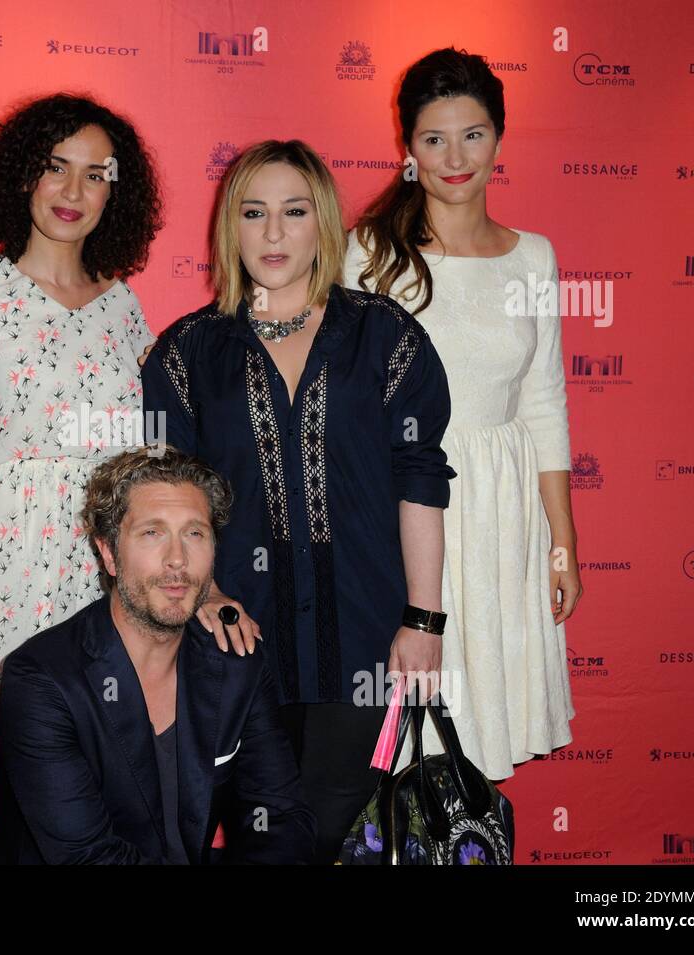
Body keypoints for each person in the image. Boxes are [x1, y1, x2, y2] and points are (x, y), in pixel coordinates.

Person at [140, 140, 456, 862]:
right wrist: (208, 593)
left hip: (364, 635)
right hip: (235, 637)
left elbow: (421, 481)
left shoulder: (384, 336)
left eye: (294, 212)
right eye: (254, 213)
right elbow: (165, 501)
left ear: (325, 226)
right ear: (231, 226)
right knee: (263, 837)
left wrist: (424, 619)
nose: (274, 234)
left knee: (338, 835)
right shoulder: (188, 352)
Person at [0, 93, 163, 863]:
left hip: (100, 579)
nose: (72, 191)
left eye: (96, 175)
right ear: (23, 176)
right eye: (56, 168)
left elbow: (145, 464)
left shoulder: (127, 313)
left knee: (83, 804)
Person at [343, 48, 581, 780]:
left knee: (476, 740)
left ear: (500, 139)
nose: (454, 157)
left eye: (472, 135)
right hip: (413, 514)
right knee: (410, 737)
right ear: (407, 147)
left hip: (507, 519)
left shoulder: (533, 258)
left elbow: (544, 399)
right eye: (433, 139)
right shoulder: (370, 255)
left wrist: (562, 543)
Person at [0, 446, 316, 864]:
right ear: (108, 552)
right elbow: (88, 858)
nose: (177, 559)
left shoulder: (237, 663)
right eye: (152, 533)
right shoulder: (42, 679)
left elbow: (280, 816)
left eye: (194, 533)